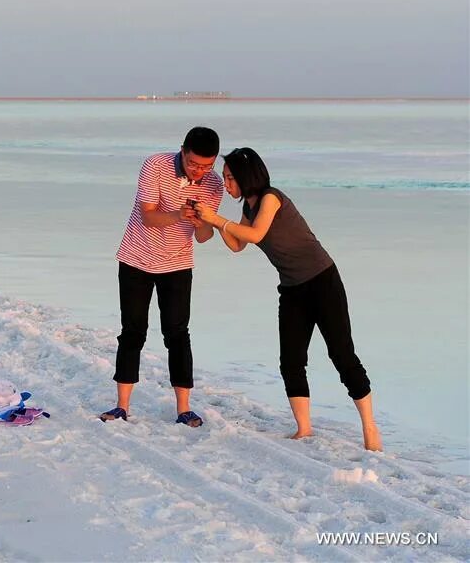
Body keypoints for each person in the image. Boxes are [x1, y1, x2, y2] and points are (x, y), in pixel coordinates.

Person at [193, 147, 382, 451]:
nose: (226, 184)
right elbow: (238, 245)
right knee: (291, 361)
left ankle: (370, 429)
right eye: (225, 178)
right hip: (292, 288)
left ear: (246, 176)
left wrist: (216, 217)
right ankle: (304, 429)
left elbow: (255, 235)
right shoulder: (249, 207)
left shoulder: (270, 198)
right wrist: (210, 221)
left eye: (230, 178)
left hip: (322, 281)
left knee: (342, 356)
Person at [101, 127, 224, 427]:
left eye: (207, 166)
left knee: (178, 334)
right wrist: (179, 215)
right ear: (182, 151)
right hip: (136, 258)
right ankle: (122, 406)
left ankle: (184, 408)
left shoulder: (214, 185)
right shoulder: (156, 165)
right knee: (133, 331)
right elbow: (148, 216)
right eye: (194, 164)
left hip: (178, 264)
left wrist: (201, 221)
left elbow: (205, 237)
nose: (200, 171)